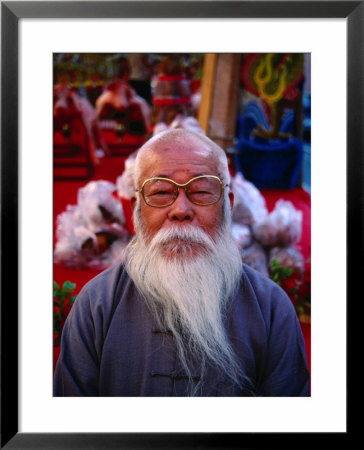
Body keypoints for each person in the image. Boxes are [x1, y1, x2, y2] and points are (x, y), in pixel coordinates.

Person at [54, 129, 310, 397]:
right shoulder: (96, 306)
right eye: (162, 192)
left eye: (201, 191)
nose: (180, 210)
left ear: (228, 205)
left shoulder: (270, 309)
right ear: (136, 210)